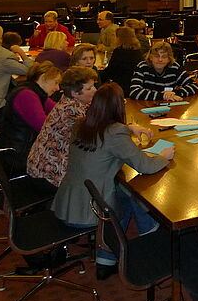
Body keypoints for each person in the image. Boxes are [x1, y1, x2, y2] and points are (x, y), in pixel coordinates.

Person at [52, 83, 172, 279]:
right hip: (90, 211)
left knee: (125, 192)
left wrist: (128, 128)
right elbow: (145, 166)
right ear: (118, 106)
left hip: (68, 204)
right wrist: (163, 156)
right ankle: (152, 241)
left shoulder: (80, 125)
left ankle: (106, 261)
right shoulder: (115, 133)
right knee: (132, 196)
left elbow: (103, 137)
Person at [28, 67, 141, 188]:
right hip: (49, 174)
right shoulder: (71, 110)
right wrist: (126, 129)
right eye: (89, 88)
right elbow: (101, 136)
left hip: (42, 165)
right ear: (75, 93)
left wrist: (128, 128)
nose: (95, 90)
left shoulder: (75, 102)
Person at [0, 61, 62, 177]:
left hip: (20, 149)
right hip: (16, 156)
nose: (57, 88)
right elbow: (43, 126)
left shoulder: (35, 93)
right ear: (43, 77)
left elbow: (58, 111)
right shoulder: (27, 95)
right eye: (56, 83)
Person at [127, 41, 198, 101]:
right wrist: (163, 96)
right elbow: (134, 92)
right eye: (156, 56)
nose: (160, 60)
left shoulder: (174, 67)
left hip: (170, 107)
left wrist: (175, 93)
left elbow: (194, 86)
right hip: (146, 107)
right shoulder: (142, 67)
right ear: (150, 57)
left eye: (164, 57)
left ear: (169, 59)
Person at [100, 27, 146, 95]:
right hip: (136, 86)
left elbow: (110, 72)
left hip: (121, 88)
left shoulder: (119, 52)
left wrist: (98, 73)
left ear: (118, 38)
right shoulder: (137, 51)